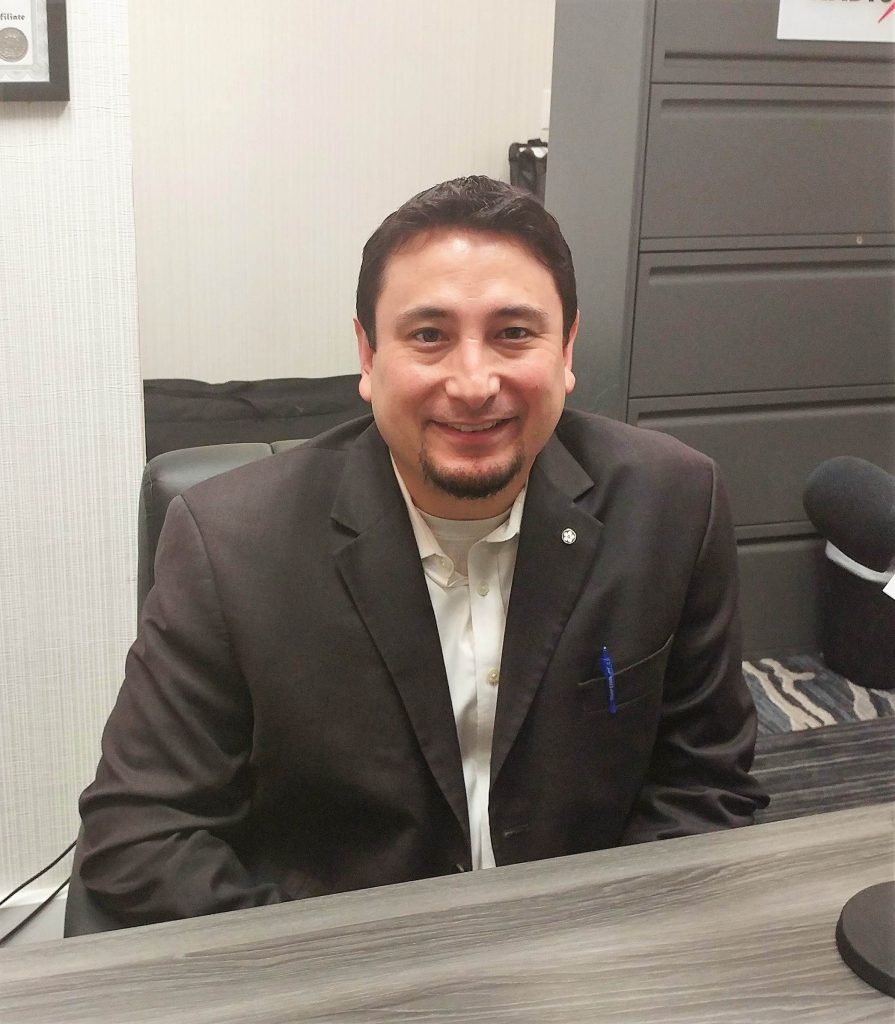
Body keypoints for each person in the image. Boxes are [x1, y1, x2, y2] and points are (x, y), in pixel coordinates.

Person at [78, 176, 768, 924]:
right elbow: (140, 837)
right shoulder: (233, 542)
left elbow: (704, 782)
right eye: (429, 335)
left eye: (513, 333)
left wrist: (588, 955)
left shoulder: (672, 502)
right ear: (367, 358)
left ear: (566, 348)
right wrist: (356, 972)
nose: (473, 384)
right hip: (338, 971)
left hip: (582, 957)